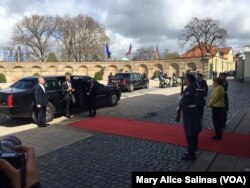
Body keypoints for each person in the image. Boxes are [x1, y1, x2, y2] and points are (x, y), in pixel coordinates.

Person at [178, 74, 201, 160]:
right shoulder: (193, 87)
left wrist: (181, 99)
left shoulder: (188, 90)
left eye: (185, 79)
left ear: (189, 80)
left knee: (190, 133)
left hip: (189, 113)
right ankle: (192, 150)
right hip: (192, 112)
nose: (184, 80)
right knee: (193, 133)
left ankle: (191, 154)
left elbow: (186, 102)